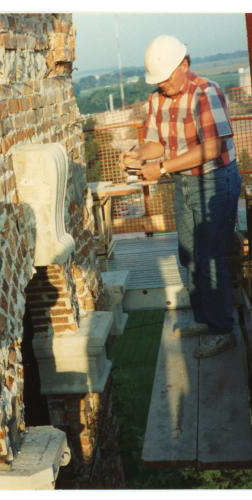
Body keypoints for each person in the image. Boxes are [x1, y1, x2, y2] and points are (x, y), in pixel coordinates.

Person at [118, 35, 241, 359]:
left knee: (211, 257)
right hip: (184, 182)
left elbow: (212, 148)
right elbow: (156, 143)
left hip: (216, 180)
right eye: (157, 79)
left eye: (166, 77)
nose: (162, 84)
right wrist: (138, 155)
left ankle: (222, 330)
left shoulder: (206, 91)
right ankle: (205, 319)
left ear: (184, 65)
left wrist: (161, 167)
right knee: (188, 254)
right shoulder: (157, 98)